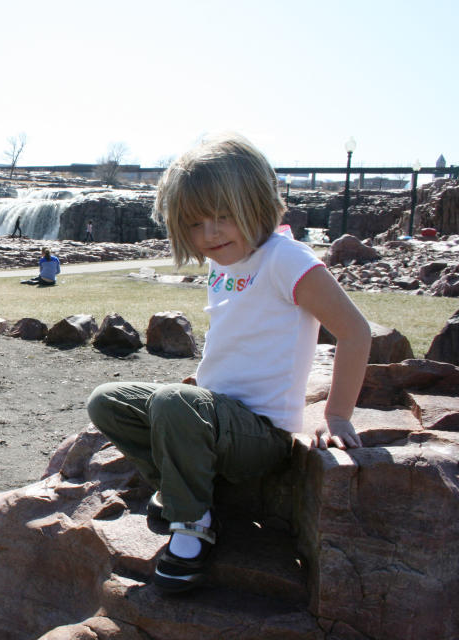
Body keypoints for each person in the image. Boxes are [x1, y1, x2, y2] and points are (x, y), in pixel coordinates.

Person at [86, 134, 371, 594]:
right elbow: (238, 336)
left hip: (260, 434)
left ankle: (193, 526)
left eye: (223, 216)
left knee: (176, 404)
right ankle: (191, 493)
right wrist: (200, 382)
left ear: (258, 202)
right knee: (107, 401)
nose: (210, 234)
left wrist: (337, 415)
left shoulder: (285, 259)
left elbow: (355, 331)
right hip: (216, 415)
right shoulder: (224, 262)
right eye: (196, 223)